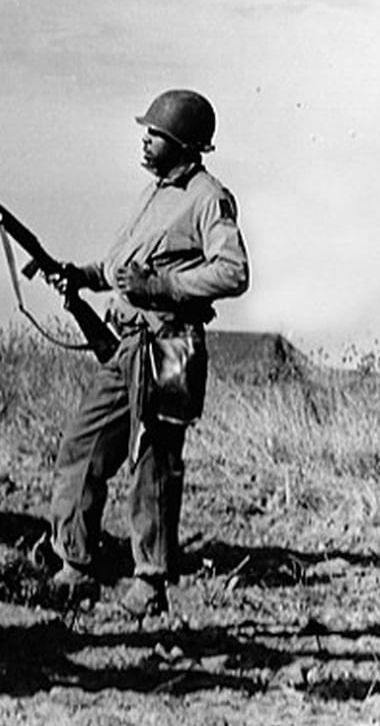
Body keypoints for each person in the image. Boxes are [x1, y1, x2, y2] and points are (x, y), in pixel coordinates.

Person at [34, 89, 250, 620]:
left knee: (155, 465)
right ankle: (75, 565)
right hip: (128, 344)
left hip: (170, 347)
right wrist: (82, 276)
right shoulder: (155, 193)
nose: (145, 140)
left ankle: (150, 581)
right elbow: (120, 265)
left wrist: (161, 285)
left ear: (181, 142)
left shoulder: (207, 198)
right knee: (83, 448)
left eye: (154, 134)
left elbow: (234, 272)